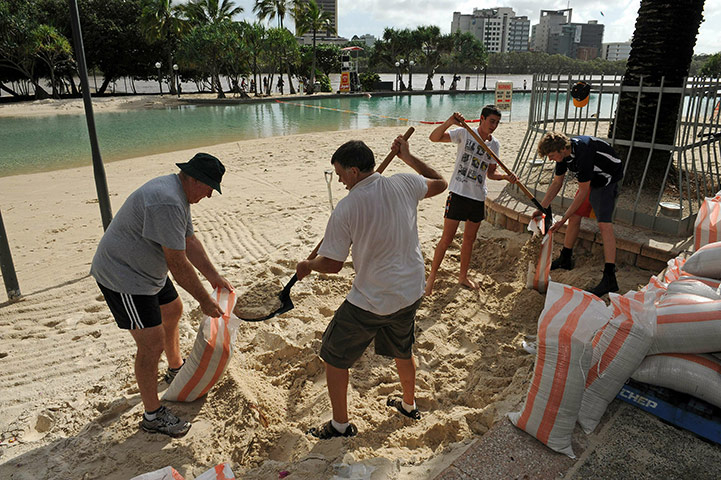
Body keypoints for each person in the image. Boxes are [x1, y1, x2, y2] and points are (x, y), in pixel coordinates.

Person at [296, 137, 447, 439]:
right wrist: (407, 156)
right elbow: (440, 182)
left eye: (340, 174)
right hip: (411, 289)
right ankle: (408, 404)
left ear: (353, 171)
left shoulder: (348, 206)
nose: (339, 181)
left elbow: (332, 264)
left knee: (334, 357)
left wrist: (308, 266)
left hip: (373, 298)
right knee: (402, 349)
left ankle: (340, 426)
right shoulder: (404, 182)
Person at [90, 153, 234, 437]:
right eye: (208, 188)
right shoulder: (167, 201)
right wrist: (205, 300)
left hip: (147, 270)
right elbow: (178, 264)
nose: (209, 196)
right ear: (193, 179)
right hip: (124, 277)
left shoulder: (179, 194)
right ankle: (152, 416)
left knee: (173, 310)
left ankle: (175, 368)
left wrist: (214, 277)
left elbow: (188, 240)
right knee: (150, 345)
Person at [425, 106, 517, 295]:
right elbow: (433, 137)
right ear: (481, 118)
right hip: (458, 193)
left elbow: (491, 174)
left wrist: (506, 177)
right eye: (491, 121)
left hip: (477, 197)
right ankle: (431, 278)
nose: (494, 126)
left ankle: (463, 276)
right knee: (447, 239)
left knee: (469, 239)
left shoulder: (494, 144)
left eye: (497, 123)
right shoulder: (465, 133)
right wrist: (450, 122)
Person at [532, 132, 624, 297]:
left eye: (551, 156)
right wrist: (542, 207)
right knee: (575, 216)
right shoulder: (564, 155)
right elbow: (557, 182)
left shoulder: (583, 151)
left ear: (561, 149)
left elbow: (582, 192)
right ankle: (566, 258)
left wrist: (562, 220)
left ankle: (610, 277)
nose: (550, 159)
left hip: (608, 177)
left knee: (604, 224)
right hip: (592, 178)